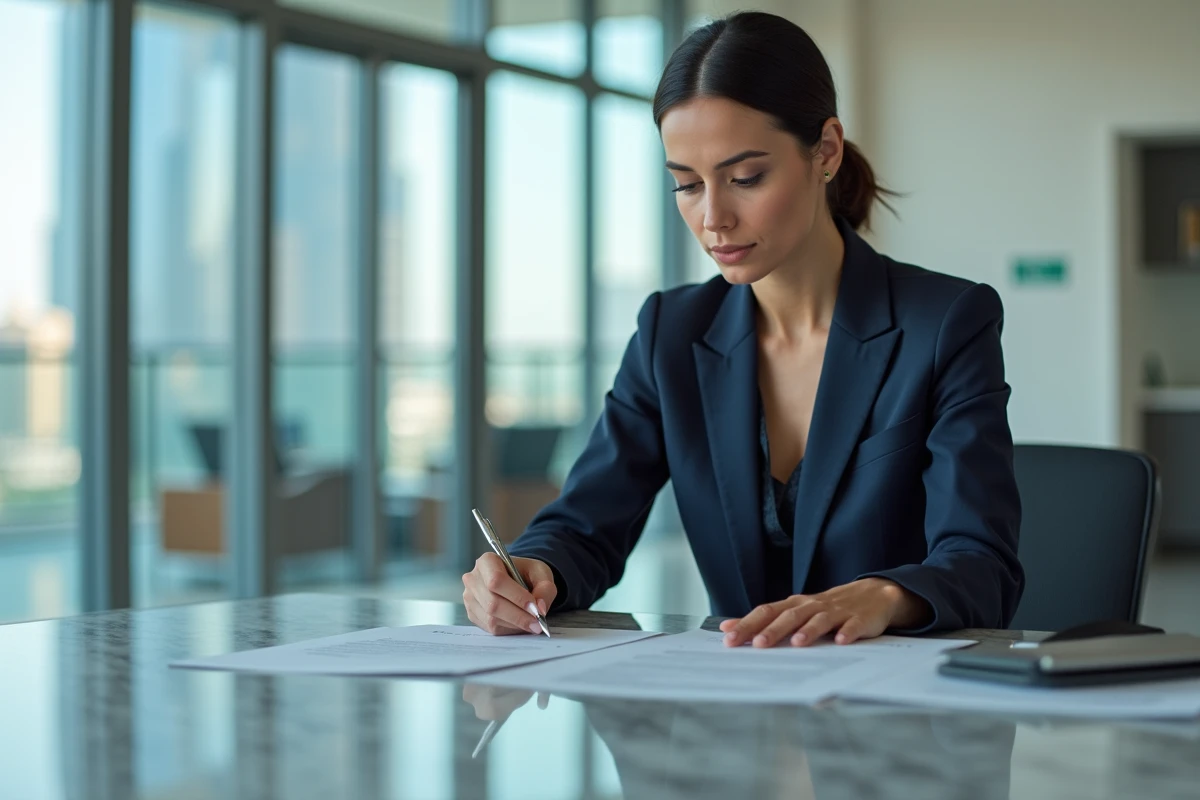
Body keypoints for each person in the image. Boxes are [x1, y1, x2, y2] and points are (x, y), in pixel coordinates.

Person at [462, 10, 1024, 647]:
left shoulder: (946, 323)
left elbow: (983, 565)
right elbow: (583, 525)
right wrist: (531, 570)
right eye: (686, 185)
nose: (713, 218)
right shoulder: (670, 333)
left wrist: (886, 595)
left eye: (745, 178)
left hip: (895, 694)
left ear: (826, 151)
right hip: (735, 695)